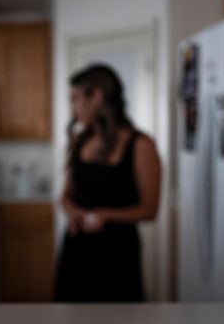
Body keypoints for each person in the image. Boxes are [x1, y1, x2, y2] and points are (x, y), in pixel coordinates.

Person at [55, 64, 161, 302]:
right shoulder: (81, 140)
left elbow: (149, 210)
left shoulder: (141, 145)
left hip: (117, 254)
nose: (72, 111)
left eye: (75, 100)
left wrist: (105, 215)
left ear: (97, 97)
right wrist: (72, 212)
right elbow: (65, 195)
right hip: (76, 250)